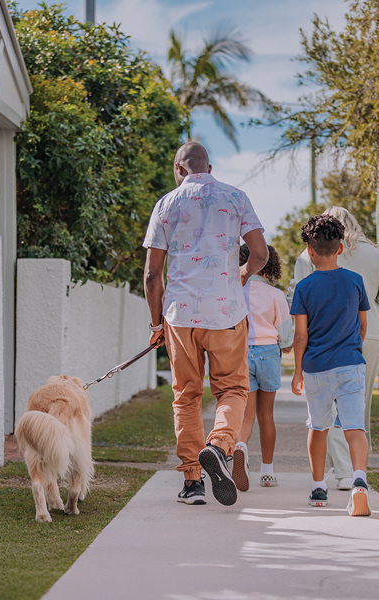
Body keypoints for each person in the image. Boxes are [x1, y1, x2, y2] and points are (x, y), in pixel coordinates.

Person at [142, 141, 267, 506]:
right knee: (232, 390)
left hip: (180, 316)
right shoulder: (235, 197)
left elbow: (152, 275)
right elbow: (259, 254)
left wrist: (155, 326)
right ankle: (219, 445)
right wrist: (241, 273)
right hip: (226, 312)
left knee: (186, 397)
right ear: (208, 169)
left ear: (179, 170)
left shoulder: (166, 203)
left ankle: (193, 483)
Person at [290, 207, 379, 489]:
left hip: (320, 344)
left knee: (321, 418)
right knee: (357, 408)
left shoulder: (307, 256)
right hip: (367, 339)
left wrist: (297, 364)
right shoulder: (374, 255)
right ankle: (358, 473)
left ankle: (338, 475)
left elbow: (298, 307)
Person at [291, 215, 374, 509]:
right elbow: (363, 325)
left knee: (318, 427)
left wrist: (297, 370)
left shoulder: (303, 288)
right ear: (340, 248)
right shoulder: (355, 281)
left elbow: (301, 336)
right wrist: (351, 348)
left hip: (317, 369)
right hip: (351, 364)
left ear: (309, 251)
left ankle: (317, 489)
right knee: (354, 428)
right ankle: (359, 482)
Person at [233, 244, 290, 489]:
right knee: (266, 416)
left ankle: (240, 448)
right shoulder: (276, 295)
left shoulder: (235, 291)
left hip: (242, 352)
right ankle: (267, 472)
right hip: (268, 353)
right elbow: (286, 338)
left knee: (246, 417)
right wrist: (285, 345)